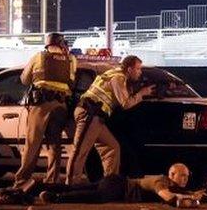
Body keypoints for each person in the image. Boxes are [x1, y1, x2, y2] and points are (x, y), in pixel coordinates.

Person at [65, 55, 154, 185]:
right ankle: (70, 185)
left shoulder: (114, 73)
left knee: (112, 147)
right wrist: (141, 94)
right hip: (89, 114)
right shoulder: (118, 77)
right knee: (80, 151)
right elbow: (126, 103)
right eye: (138, 69)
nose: (140, 72)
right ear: (129, 69)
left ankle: (110, 184)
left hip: (96, 117)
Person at [12, 32, 77, 188]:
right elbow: (72, 82)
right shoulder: (71, 59)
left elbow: (24, 79)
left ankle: (22, 180)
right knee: (55, 144)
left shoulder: (39, 57)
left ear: (47, 44)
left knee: (33, 143)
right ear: (62, 44)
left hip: (41, 105)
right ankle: (52, 181)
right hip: (61, 106)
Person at [39, 163, 202, 207]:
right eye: (182, 176)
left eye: (186, 176)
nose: (185, 179)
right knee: (98, 197)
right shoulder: (161, 182)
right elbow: (169, 198)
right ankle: (56, 198)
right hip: (119, 185)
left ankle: (40, 187)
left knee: (79, 188)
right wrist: (190, 199)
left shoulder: (171, 185)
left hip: (116, 182)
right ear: (171, 174)